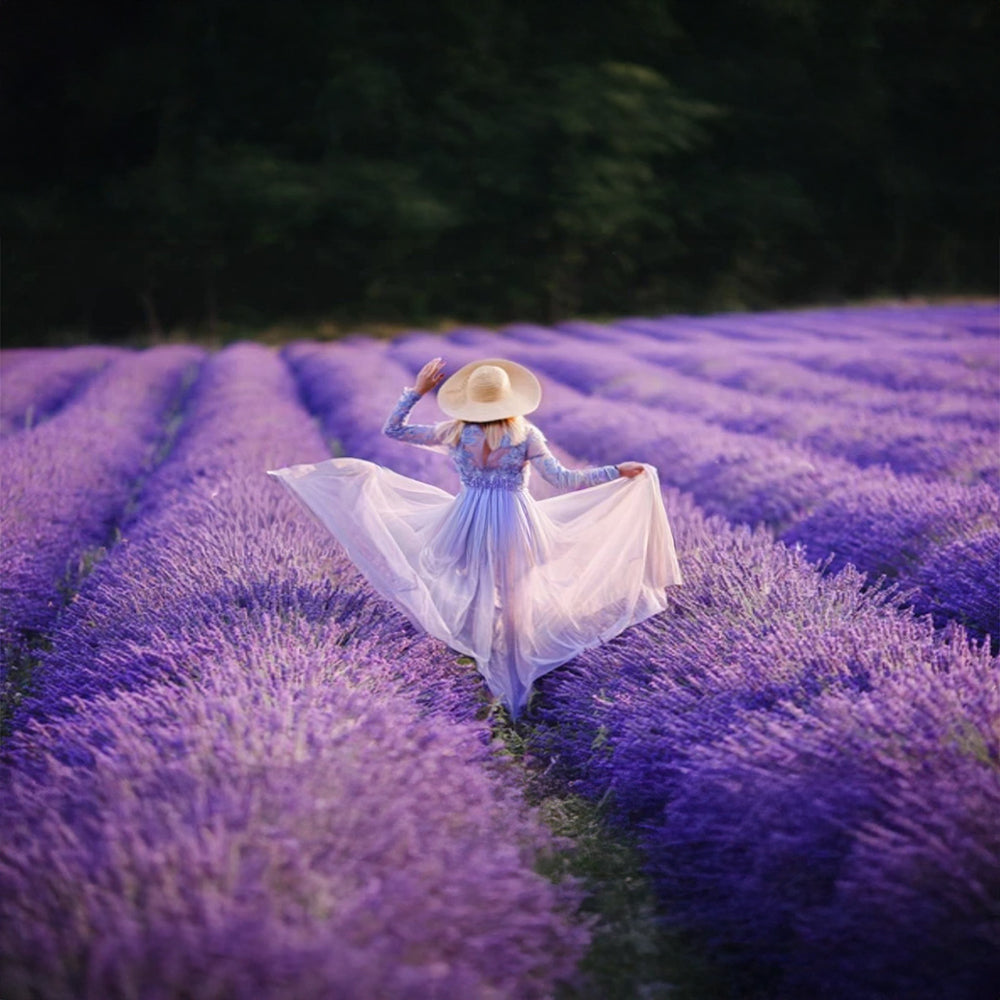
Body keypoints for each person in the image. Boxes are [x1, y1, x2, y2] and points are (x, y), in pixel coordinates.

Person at [269, 356, 681, 718]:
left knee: (475, 594)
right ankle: (520, 692)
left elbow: (393, 430)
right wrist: (615, 471)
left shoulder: (454, 433)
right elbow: (564, 479)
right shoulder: (525, 436)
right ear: (510, 400)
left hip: (466, 520)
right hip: (515, 523)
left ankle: (483, 677)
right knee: (517, 603)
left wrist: (416, 391)